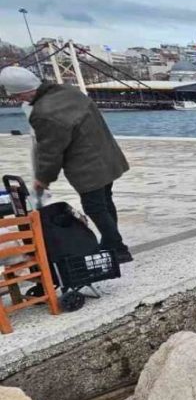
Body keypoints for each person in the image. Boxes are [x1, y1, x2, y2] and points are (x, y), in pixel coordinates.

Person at [0, 66, 132, 263]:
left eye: (19, 96)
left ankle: (118, 248)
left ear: (27, 90)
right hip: (107, 156)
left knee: (94, 207)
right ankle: (111, 241)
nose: (20, 101)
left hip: (87, 166)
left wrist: (43, 179)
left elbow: (50, 151)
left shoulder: (43, 112)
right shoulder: (69, 91)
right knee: (105, 201)